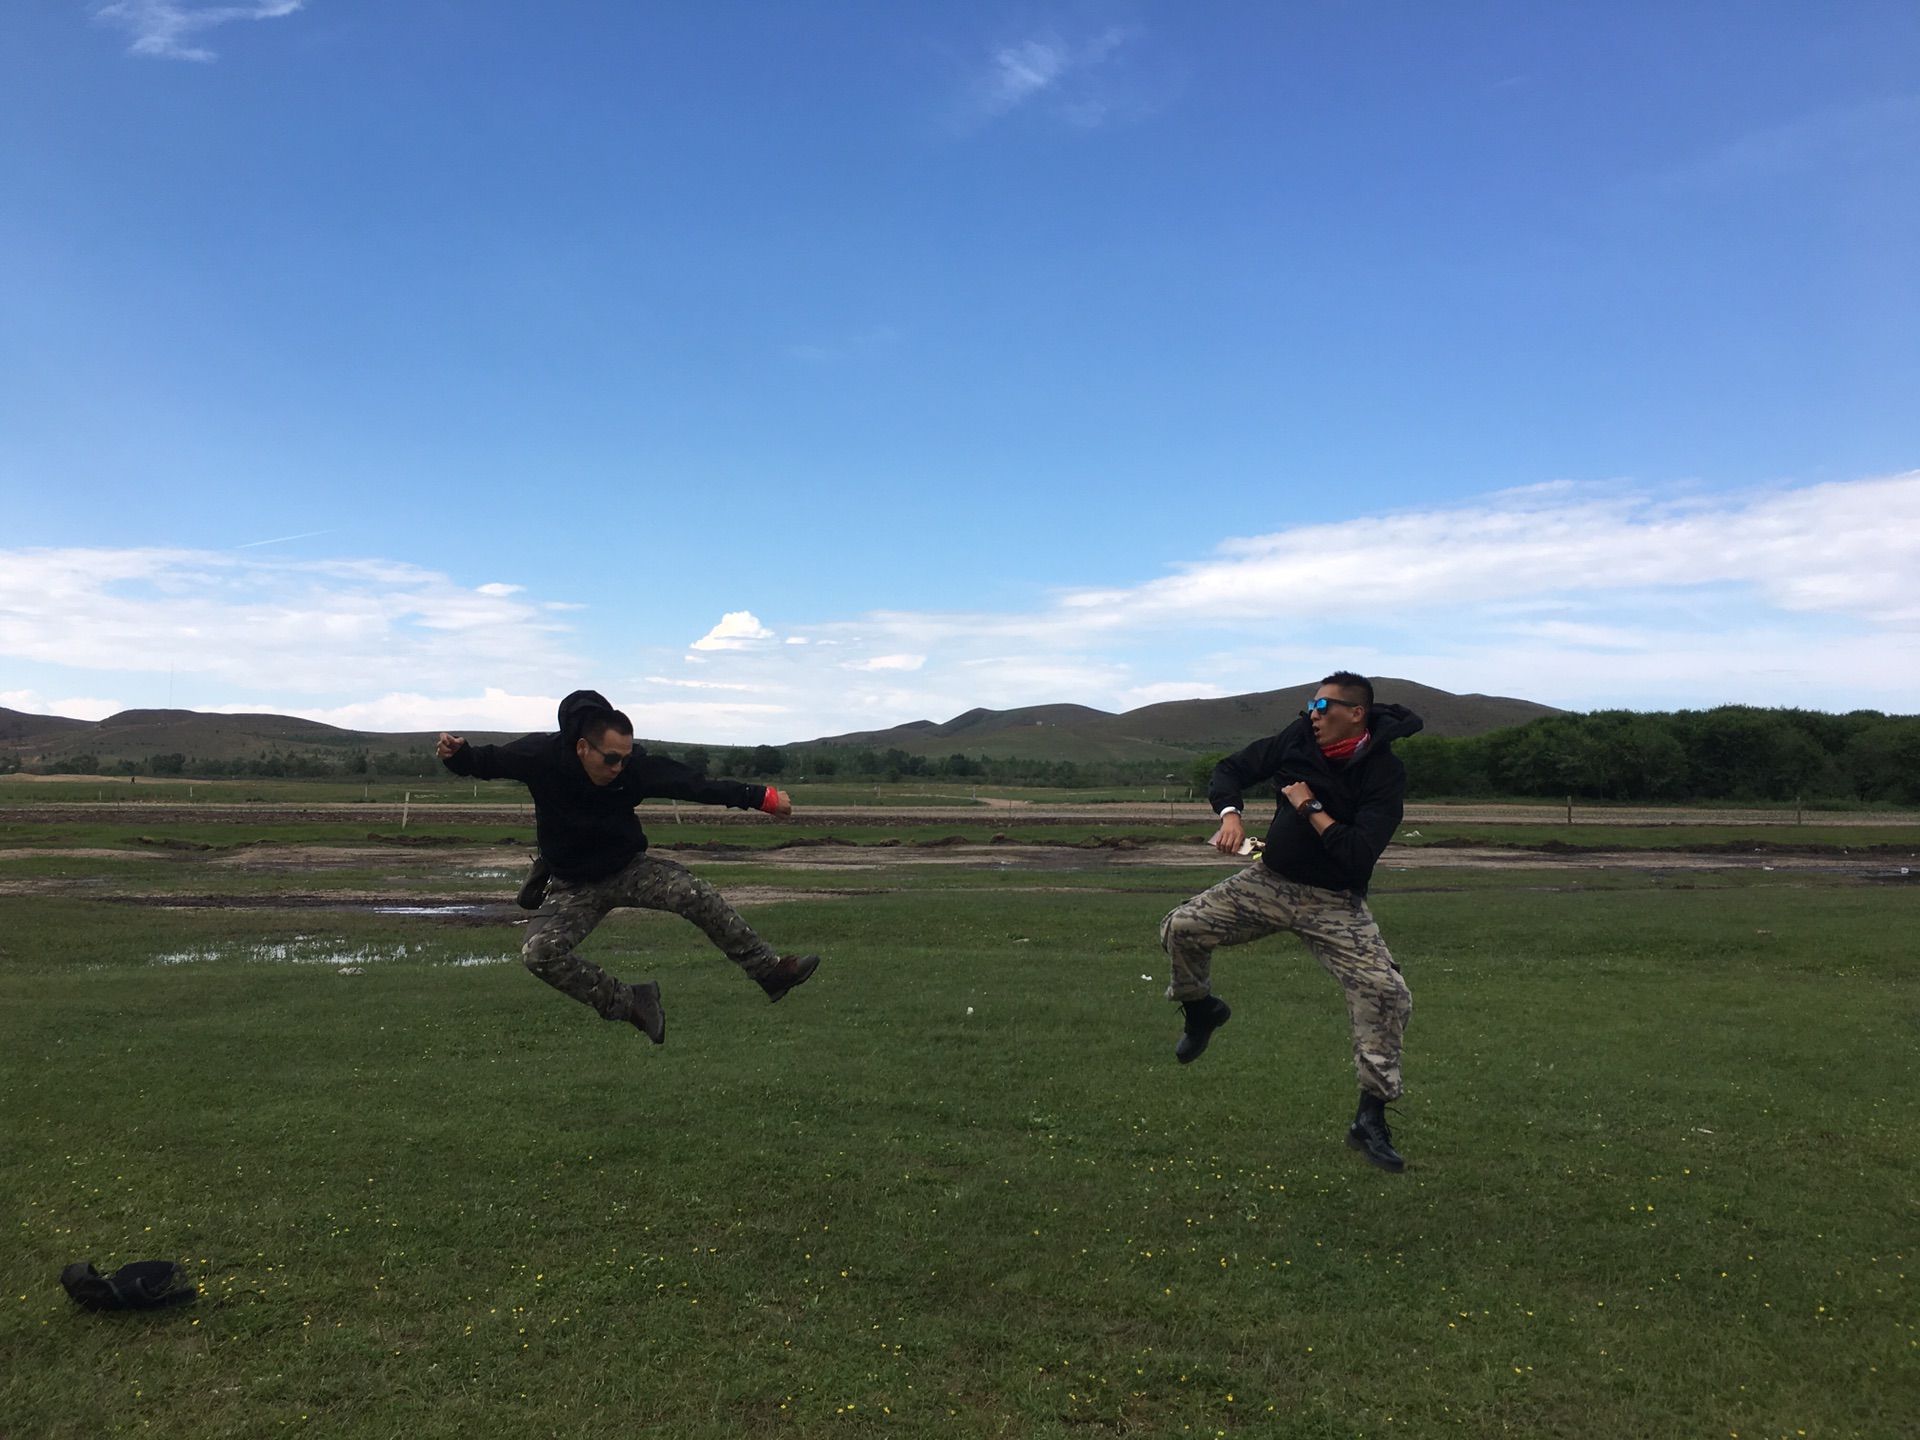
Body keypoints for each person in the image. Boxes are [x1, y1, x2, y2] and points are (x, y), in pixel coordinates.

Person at [436, 690, 818, 1044]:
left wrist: (762, 797)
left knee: (693, 893)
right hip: (572, 885)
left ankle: (769, 972)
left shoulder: (633, 769)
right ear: (583, 747)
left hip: (628, 869)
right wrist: (458, 755)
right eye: (611, 758)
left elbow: (695, 784)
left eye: (625, 757)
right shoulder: (541, 755)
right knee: (538, 953)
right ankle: (632, 1002)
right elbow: (488, 761)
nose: (619, 766)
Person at [1158, 672, 1423, 1171]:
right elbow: (1232, 768)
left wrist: (1311, 807)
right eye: (1311, 705)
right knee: (1182, 927)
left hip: (1334, 901)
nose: (1313, 715)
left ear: (1356, 713)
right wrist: (1230, 814)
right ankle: (1201, 1010)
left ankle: (1369, 1118)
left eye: (1323, 706)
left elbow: (1357, 852)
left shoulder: (1384, 772)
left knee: (1386, 992)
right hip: (1271, 882)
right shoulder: (1297, 738)